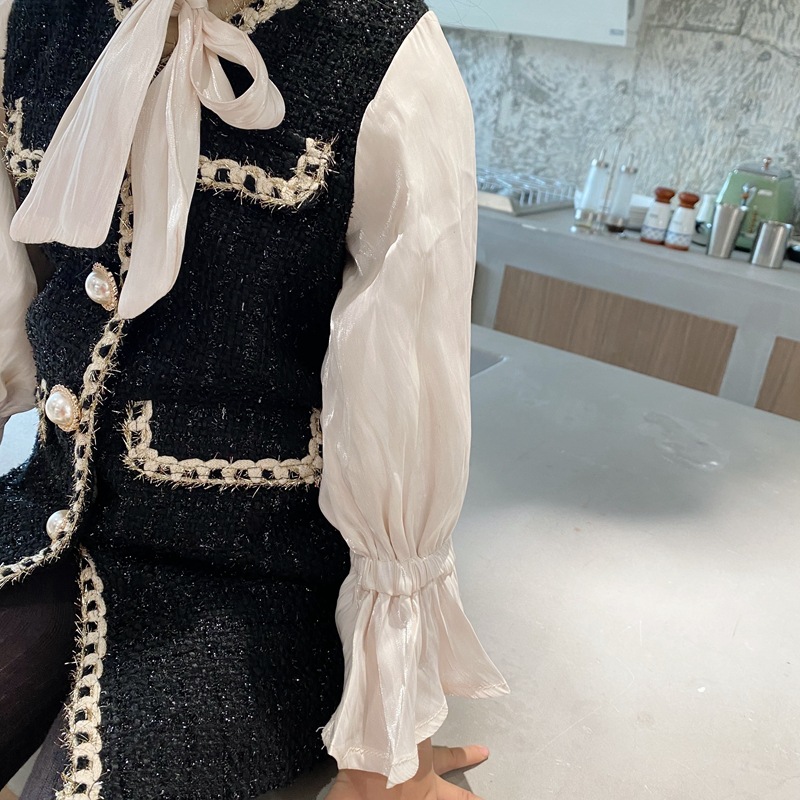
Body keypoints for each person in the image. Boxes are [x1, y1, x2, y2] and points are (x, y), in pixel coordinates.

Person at [0, 1, 509, 798]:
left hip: (249, 578)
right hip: (44, 512)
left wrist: (389, 753)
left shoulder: (384, 51)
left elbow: (401, 390)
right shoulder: (34, 15)